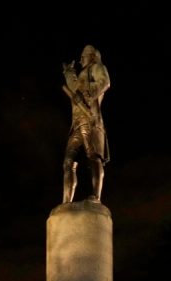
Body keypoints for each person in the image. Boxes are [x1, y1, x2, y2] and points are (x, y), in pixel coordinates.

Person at [62, 45, 110, 204]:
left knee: (93, 157)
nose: (80, 59)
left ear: (92, 56)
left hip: (90, 119)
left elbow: (105, 82)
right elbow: (74, 87)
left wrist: (88, 95)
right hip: (76, 124)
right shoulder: (82, 74)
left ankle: (96, 197)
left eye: (83, 55)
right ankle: (66, 202)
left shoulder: (96, 67)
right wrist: (69, 73)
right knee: (68, 161)